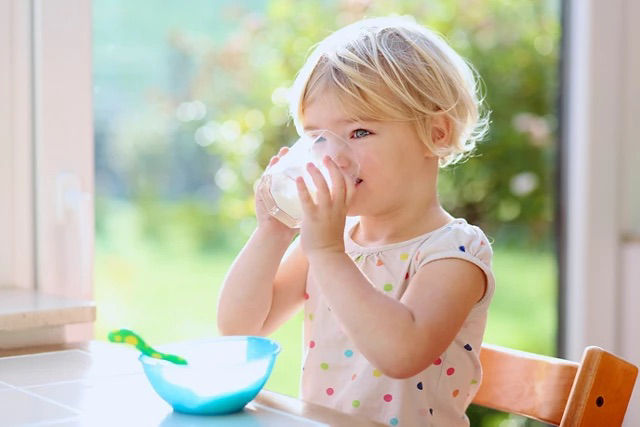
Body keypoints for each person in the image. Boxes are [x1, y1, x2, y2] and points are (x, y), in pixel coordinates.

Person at [217, 15, 494, 427]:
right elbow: (240, 329)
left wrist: (328, 253)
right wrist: (271, 233)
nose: (332, 156)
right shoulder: (331, 241)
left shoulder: (454, 253)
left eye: (360, 131)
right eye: (316, 137)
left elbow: (401, 354)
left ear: (436, 134)